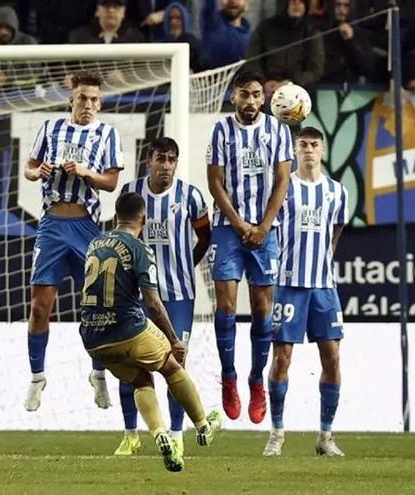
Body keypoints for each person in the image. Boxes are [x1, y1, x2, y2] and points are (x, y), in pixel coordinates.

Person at [80, 192, 222, 472]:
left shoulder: (94, 244)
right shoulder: (139, 249)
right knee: (170, 367)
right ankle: (204, 426)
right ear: (143, 219)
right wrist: (173, 340)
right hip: (127, 329)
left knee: (142, 379)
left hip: (93, 339)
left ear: (116, 216)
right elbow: (154, 304)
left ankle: (160, 435)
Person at [23, 71, 123, 412]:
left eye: (95, 100)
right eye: (83, 98)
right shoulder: (50, 128)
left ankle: (98, 374)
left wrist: (86, 173)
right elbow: (30, 167)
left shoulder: (108, 134)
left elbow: (110, 182)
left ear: (101, 103)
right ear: (72, 99)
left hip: (87, 227)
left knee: (97, 308)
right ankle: (37, 378)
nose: (89, 105)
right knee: (39, 306)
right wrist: (39, 172)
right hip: (52, 226)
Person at [114, 138, 211, 456]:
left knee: (175, 362)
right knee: (130, 361)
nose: (166, 165)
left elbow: (205, 236)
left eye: (172, 159)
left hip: (178, 294)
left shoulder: (191, 196)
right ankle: (130, 434)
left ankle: (176, 433)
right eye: (161, 158)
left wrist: (186, 264)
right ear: (148, 161)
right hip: (136, 295)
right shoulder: (131, 192)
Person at [206, 69, 294, 423]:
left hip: (265, 231)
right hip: (229, 228)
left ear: (265, 98)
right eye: (245, 94)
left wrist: (264, 226)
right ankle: (229, 376)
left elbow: (283, 181)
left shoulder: (278, 131)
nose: (251, 101)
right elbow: (215, 182)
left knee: (262, 307)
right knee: (226, 303)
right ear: (234, 97)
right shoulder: (221, 130)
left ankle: (256, 379)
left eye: (257, 94)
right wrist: (241, 224)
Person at [262, 126, 348, 457]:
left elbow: (336, 232)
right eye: (303, 145)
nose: (309, 150)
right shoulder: (285, 188)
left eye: (314, 144)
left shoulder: (337, 191)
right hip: (289, 286)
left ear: (323, 150)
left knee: (333, 356)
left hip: (324, 287)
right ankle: (277, 433)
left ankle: (325, 436)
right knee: (282, 357)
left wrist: (323, 264)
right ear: (296, 150)